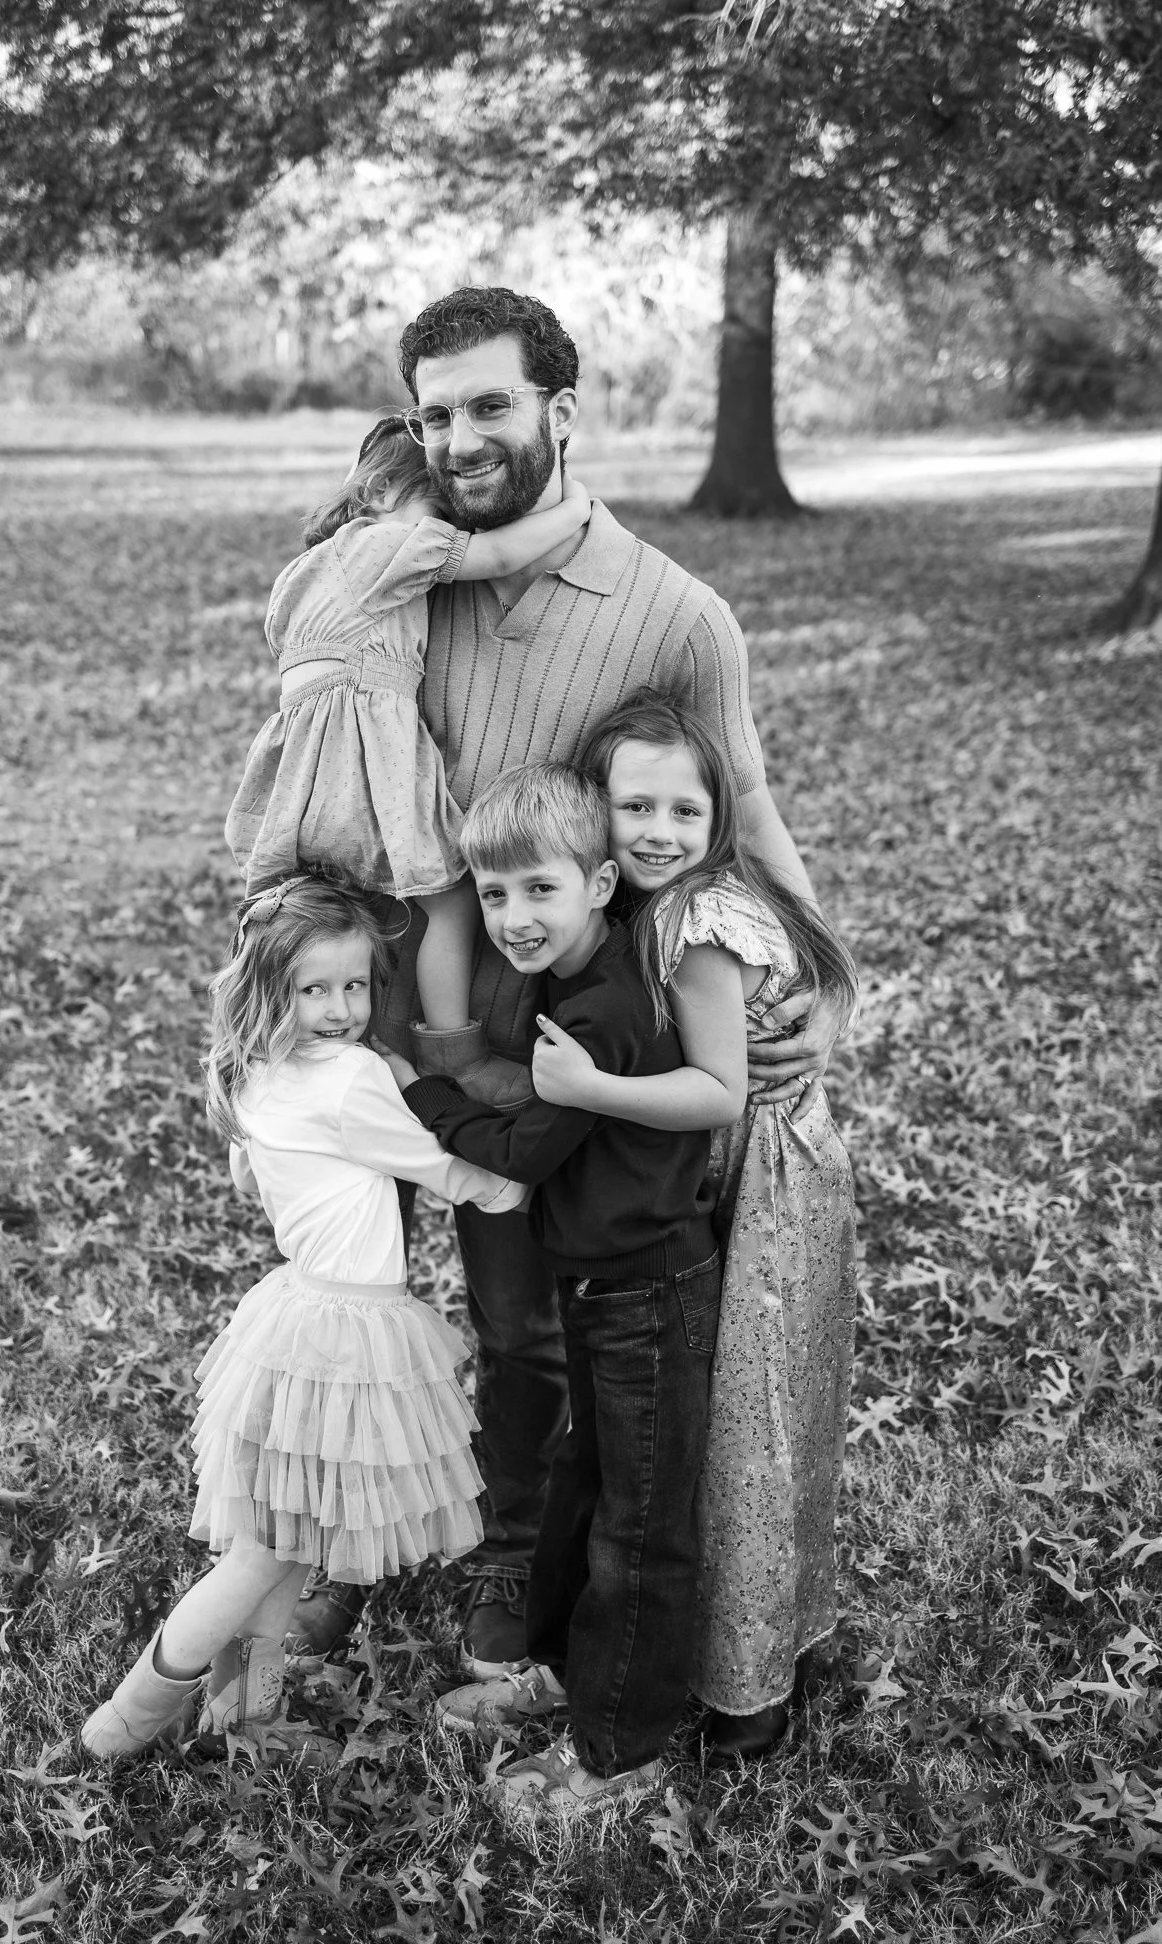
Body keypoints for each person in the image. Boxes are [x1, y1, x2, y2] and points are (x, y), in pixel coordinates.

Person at [270, 287, 844, 1668]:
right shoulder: (400, 567)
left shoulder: (676, 615)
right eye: (435, 413)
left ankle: (516, 1544)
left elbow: (745, 805)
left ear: (561, 410)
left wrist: (830, 974)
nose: (460, 439)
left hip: (533, 1039)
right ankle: (347, 1536)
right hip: (357, 1006)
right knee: (340, 1290)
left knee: (521, 1319)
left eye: (490, 405)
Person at [80, 871, 527, 1760]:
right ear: (268, 988)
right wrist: (522, 1179)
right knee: (257, 1556)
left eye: (355, 986)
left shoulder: (254, 1073)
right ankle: (117, 1730)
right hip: (345, 1336)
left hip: (291, 1322)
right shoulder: (355, 1076)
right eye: (313, 989)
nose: (340, 1008)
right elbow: (445, 1171)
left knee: (286, 1544)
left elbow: (254, 1174)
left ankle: (248, 1719)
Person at [380, 762, 744, 1815]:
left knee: (639, 1527)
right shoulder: (577, 975)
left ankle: (619, 1751)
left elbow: (523, 1150)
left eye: (539, 889)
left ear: (599, 884)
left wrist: (424, 1091)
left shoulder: (605, 1010)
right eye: (494, 895)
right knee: (582, 1487)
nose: (513, 918)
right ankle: (562, 1666)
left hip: (650, 1293)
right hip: (598, 1283)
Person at [531, 688, 860, 1760]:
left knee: (746, 1427)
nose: (659, 831)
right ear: (599, 808)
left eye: (685, 809)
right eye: (636, 807)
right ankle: (749, 1652)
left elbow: (718, 1094)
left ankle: (747, 1693)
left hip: (762, 1177)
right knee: (745, 1420)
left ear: (719, 815)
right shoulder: (677, 904)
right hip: (778, 1164)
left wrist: (587, 1088)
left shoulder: (694, 922)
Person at [225, 412, 592, 1108]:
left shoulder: (305, 572)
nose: (451, 532)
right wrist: (576, 508)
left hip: (301, 783)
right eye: (439, 512)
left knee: (311, 923)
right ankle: (458, 1056)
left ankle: (264, 1050)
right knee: (450, 904)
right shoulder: (380, 547)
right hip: (365, 771)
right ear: (381, 493)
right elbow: (495, 558)